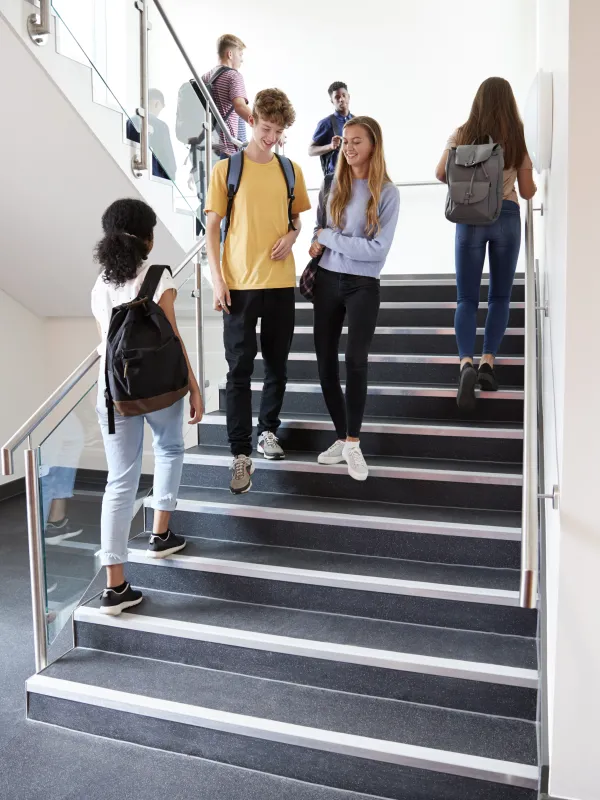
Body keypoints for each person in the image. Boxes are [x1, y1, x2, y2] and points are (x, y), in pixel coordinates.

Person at [91, 199, 203, 615]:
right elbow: (171, 336)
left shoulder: (100, 283)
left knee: (119, 484)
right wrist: (193, 385)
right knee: (171, 449)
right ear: (149, 238)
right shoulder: (159, 275)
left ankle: (115, 587)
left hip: (113, 393)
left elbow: (104, 342)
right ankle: (160, 535)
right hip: (159, 388)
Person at [205, 88, 311, 494]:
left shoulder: (290, 170)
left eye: (279, 131)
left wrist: (292, 235)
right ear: (252, 121)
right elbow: (212, 229)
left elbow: (297, 221)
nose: (272, 137)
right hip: (240, 286)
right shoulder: (226, 170)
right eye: (267, 128)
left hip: (281, 283)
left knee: (278, 366)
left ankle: (268, 431)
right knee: (239, 371)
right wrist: (217, 279)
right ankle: (240, 454)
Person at [435, 77, 537, 410]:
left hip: (469, 219)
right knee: (500, 296)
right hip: (506, 216)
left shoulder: (463, 133)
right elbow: (527, 189)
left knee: (466, 297)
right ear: (510, 102)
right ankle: (488, 363)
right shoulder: (518, 137)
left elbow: (440, 173)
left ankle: (465, 362)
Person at [309, 116, 400, 481]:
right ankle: (343, 439)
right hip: (327, 280)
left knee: (355, 361)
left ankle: (353, 440)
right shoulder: (332, 183)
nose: (348, 147)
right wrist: (324, 238)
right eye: (345, 141)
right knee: (325, 365)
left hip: (363, 284)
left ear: (373, 145)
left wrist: (329, 238)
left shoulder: (388, 193)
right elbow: (317, 232)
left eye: (356, 141)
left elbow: (376, 251)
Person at [202, 34, 252, 159]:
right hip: (228, 150)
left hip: (208, 148)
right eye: (240, 55)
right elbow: (240, 106)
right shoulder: (234, 76)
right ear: (230, 54)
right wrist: (263, 126)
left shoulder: (205, 78)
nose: (242, 60)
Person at [126, 89, 177, 181]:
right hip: (155, 175)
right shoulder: (160, 125)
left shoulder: (129, 122)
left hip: (133, 173)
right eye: (162, 107)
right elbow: (168, 159)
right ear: (157, 104)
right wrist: (171, 179)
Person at [308, 82, 354, 176]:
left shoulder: (358, 122)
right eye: (337, 97)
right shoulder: (325, 123)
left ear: (348, 97)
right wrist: (330, 146)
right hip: (335, 178)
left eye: (344, 95)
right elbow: (310, 150)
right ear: (332, 101)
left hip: (355, 175)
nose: (341, 99)